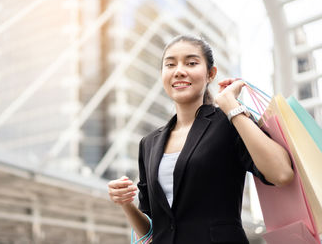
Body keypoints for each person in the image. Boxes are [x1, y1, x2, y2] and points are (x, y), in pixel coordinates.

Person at [108, 35, 294, 244]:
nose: (179, 70)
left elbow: (282, 173)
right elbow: (152, 230)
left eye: (191, 63)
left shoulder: (230, 121)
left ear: (210, 74)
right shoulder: (149, 143)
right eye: (170, 64)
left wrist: (229, 104)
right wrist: (126, 203)